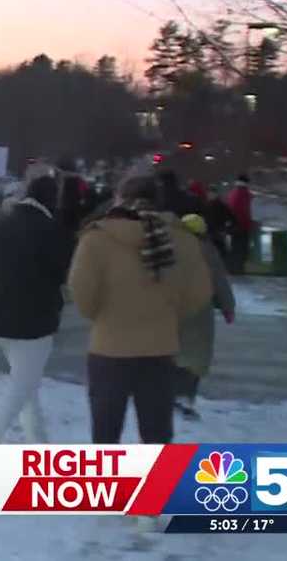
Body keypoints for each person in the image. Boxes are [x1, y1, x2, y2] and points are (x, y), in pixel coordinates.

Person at [68, 176, 211, 444]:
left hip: (109, 348)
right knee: (156, 435)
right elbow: (200, 292)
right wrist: (170, 314)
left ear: (120, 199)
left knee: (105, 435)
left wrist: (101, 316)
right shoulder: (183, 240)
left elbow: (81, 293)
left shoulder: (96, 239)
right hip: (160, 349)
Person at [0, 176, 70, 464]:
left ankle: (38, 443)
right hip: (35, 316)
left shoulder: (5, 223)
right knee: (23, 384)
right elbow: (61, 271)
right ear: (52, 198)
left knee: (26, 382)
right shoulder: (48, 228)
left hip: (0, 312)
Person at [174, 214, 236, 420]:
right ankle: (185, 397)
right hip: (200, 310)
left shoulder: (169, 246)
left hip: (172, 307)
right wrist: (228, 308)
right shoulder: (208, 251)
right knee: (196, 356)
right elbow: (219, 281)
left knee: (172, 352)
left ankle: (168, 393)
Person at [225, 175, 253, 274]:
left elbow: (229, 209)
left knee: (235, 248)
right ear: (247, 183)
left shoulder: (232, 193)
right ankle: (238, 269)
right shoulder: (246, 194)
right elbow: (247, 211)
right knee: (242, 249)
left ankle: (233, 269)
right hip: (243, 226)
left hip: (233, 226)